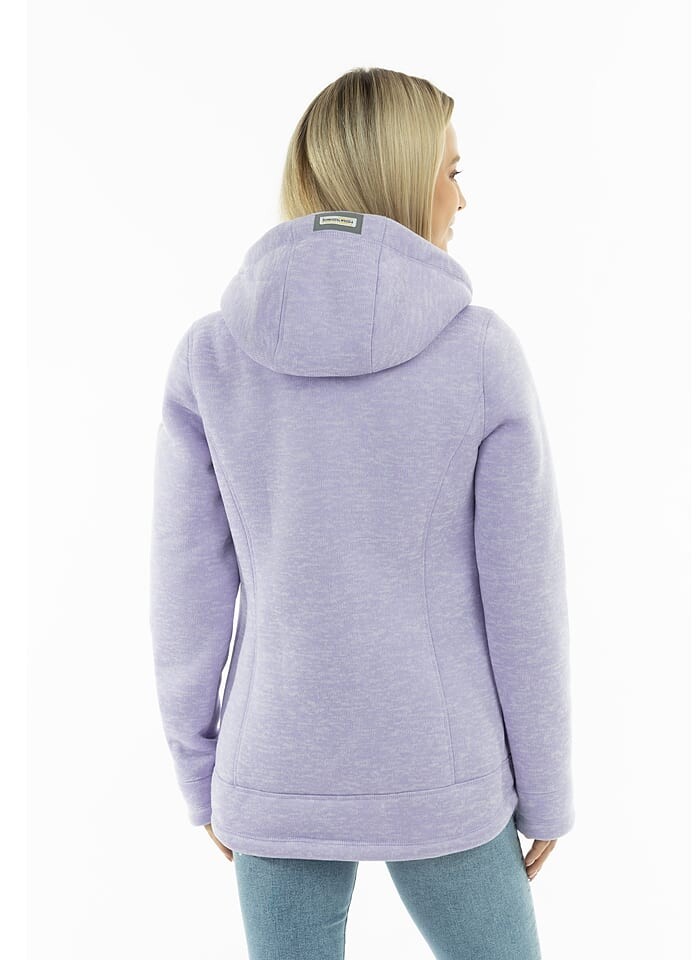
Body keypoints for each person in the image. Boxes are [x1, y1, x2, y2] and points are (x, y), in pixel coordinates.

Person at [149, 66, 575, 959]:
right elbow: (524, 601)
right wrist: (546, 791)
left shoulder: (212, 357)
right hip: (444, 775)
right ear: (404, 177)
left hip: (273, 771)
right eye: (451, 172)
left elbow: (185, 594)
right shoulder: (481, 353)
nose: (462, 198)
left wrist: (203, 775)